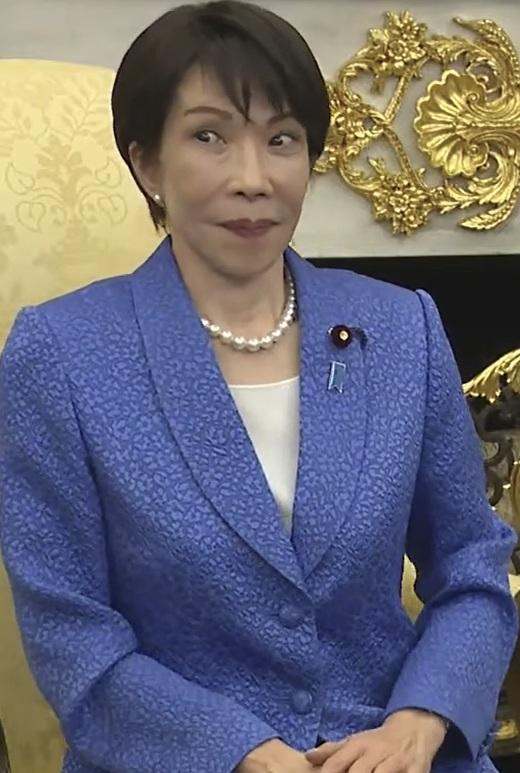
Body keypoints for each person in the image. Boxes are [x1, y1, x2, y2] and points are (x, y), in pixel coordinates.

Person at [0, 2, 517, 772]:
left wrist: (421, 719)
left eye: (281, 140)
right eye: (209, 137)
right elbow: (71, 632)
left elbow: (472, 564)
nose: (253, 178)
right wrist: (236, 749)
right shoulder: (63, 352)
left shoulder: (400, 328)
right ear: (147, 164)